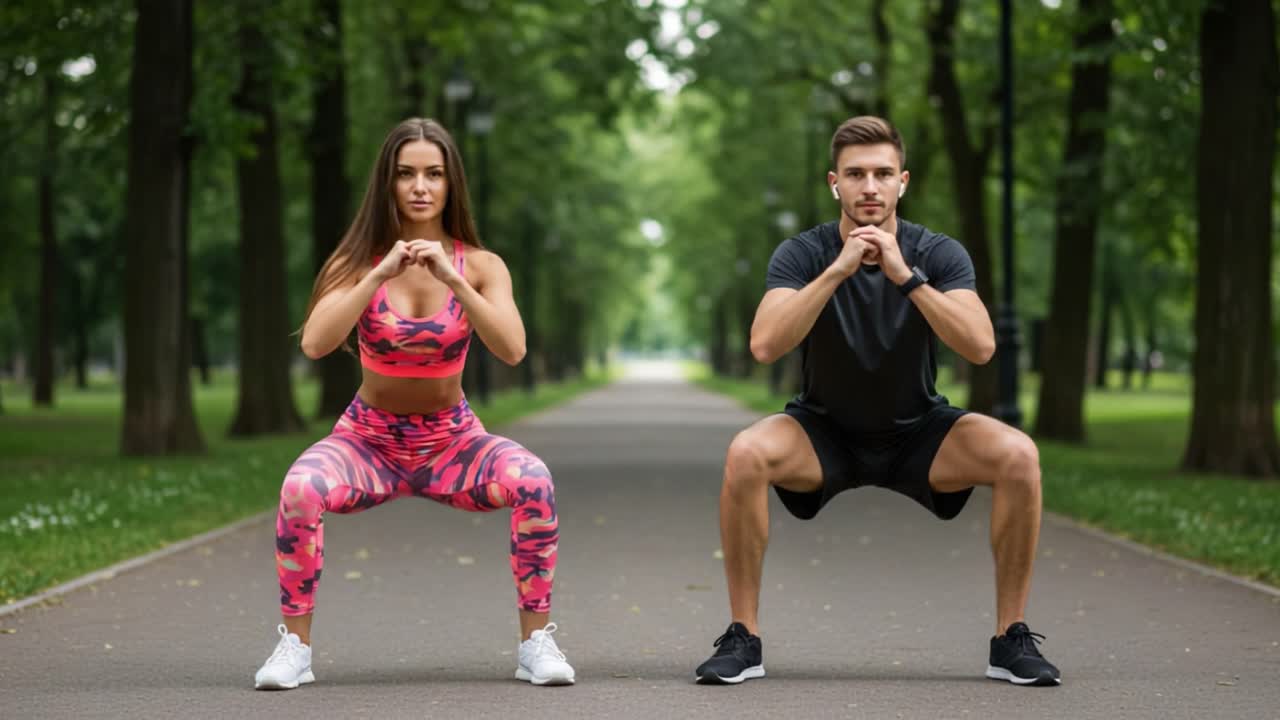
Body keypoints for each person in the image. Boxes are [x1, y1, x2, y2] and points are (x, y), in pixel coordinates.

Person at [694, 116, 1061, 687]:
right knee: (746, 453)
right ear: (833, 183)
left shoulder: (937, 253)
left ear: (903, 182)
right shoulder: (802, 252)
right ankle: (744, 637)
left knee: (1018, 455)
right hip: (822, 432)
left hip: (919, 431)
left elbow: (982, 346)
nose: (870, 186)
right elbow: (765, 344)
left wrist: (907, 277)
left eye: (883, 174)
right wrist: (837, 271)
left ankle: (1010, 638)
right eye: (856, 174)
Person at [253, 118, 574, 689]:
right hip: (367, 441)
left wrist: (453, 278)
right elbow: (316, 341)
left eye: (434, 174)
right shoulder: (355, 263)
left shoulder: (480, 264)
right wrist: (379, 271)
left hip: (453, 442)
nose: (420, 186)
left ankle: (536, 644)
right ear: (388, 183)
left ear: (452, 185)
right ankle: (293, 649)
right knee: (301, 488)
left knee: (534, 481)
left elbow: (513, 348)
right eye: (406, 174)